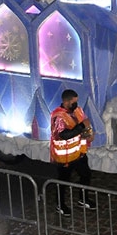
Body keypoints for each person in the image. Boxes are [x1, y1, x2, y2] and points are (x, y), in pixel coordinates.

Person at [51, 88, 95, 216]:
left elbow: (85, 123)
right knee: (63, 181)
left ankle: (83, 198)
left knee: (86, 174)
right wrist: (81, 127)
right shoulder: (59, 116)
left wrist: (89, 133)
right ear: (66, 102)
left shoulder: (77, 110)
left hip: (79, 152)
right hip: (64, 156)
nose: (76, 104)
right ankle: (60, 204)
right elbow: (64, 135)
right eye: (73, 102)